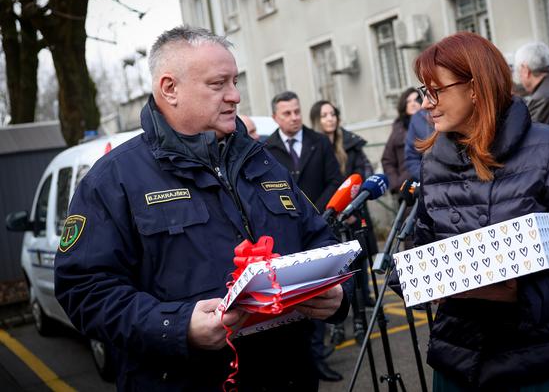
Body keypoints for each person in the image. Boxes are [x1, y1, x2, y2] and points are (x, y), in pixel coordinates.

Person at [54, 27, 350, 392]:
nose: (235, 96)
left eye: (235, 81)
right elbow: (83, 290)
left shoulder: (264, 161)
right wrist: (177, 326)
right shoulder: (113, 179)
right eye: (218, 84)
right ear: (169, 89)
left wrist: (336, 295)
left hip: (288, 377)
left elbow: (318, 238)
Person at [406, 32, 549, 391]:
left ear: (475, 87)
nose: (427, 103)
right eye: (424, 91)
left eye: (436, 90)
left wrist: (519, 294)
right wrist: (423, 282)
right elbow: (420, 248)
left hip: (541, 362)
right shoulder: (432, 161)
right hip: (459, 361)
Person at [264, 91, 344, 382]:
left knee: (317, 294)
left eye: (297, 111)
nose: (294, 117)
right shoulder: (266, 149)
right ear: (275, 117)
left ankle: (319, 358)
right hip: (284, 234)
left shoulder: (318, 142)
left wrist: (316, 212)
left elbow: (335, 179)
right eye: (287, 113)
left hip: (316, 226)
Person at [309, 100, 378, 345]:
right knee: (335, 273)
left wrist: (352, 205)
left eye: (333, 114)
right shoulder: (313, 147)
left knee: (359, 269)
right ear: (317, 119)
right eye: (324, 115)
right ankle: (337, 327)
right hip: (328, 218)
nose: (330, 118)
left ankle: (361, 318)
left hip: (353, 214)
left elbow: (363, 173)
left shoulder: (351, 144)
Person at [381, 88, 422, 194]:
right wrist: (396, 184)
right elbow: (387, 161)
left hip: (429, 183)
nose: (413, 104)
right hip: (407, 188)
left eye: (416, 100)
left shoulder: (432, 124)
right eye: (409, 101)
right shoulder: (397, 130)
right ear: (404, 105)